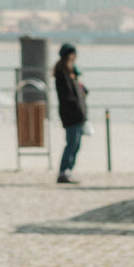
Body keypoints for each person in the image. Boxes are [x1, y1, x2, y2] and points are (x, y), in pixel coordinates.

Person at [53, 44, 87, 185]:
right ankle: (64, 171)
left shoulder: (68, 72)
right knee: (72, 143)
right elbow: (69, 96)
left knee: (75, 143)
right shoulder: (63, 73)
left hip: (74, 114)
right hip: (72, 114)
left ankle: (67, 171)